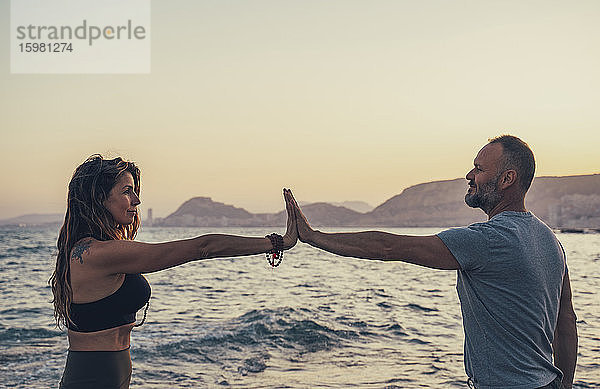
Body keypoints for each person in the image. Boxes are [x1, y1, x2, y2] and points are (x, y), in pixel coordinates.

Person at [285, 135, 577, 389]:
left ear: (507, 179)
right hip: (546, 383)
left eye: (479, 169)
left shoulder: (488, 240)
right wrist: (565, 385)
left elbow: (389, 247)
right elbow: (566, 323)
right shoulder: (550, 240)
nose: (469, 175)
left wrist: (314, 237)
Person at [50, 154, 298, 388]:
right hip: (91, 379)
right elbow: (203, 247)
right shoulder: (96, 254)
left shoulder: (97, 249)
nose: (136, 200)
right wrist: (278, 242)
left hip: (111, 374)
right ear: (99, 198)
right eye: (127, 191)